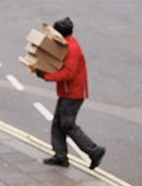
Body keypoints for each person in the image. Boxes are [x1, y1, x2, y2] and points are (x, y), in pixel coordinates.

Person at [36, 17, 106, 170]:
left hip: (73, 93)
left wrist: (46, 76)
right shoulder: (65, 44)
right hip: (67, 91)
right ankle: (60, 156)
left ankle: (94, 151)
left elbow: (68, 73)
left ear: (61, 34)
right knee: (57, 124)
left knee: (67, 124)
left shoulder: (72, 49)